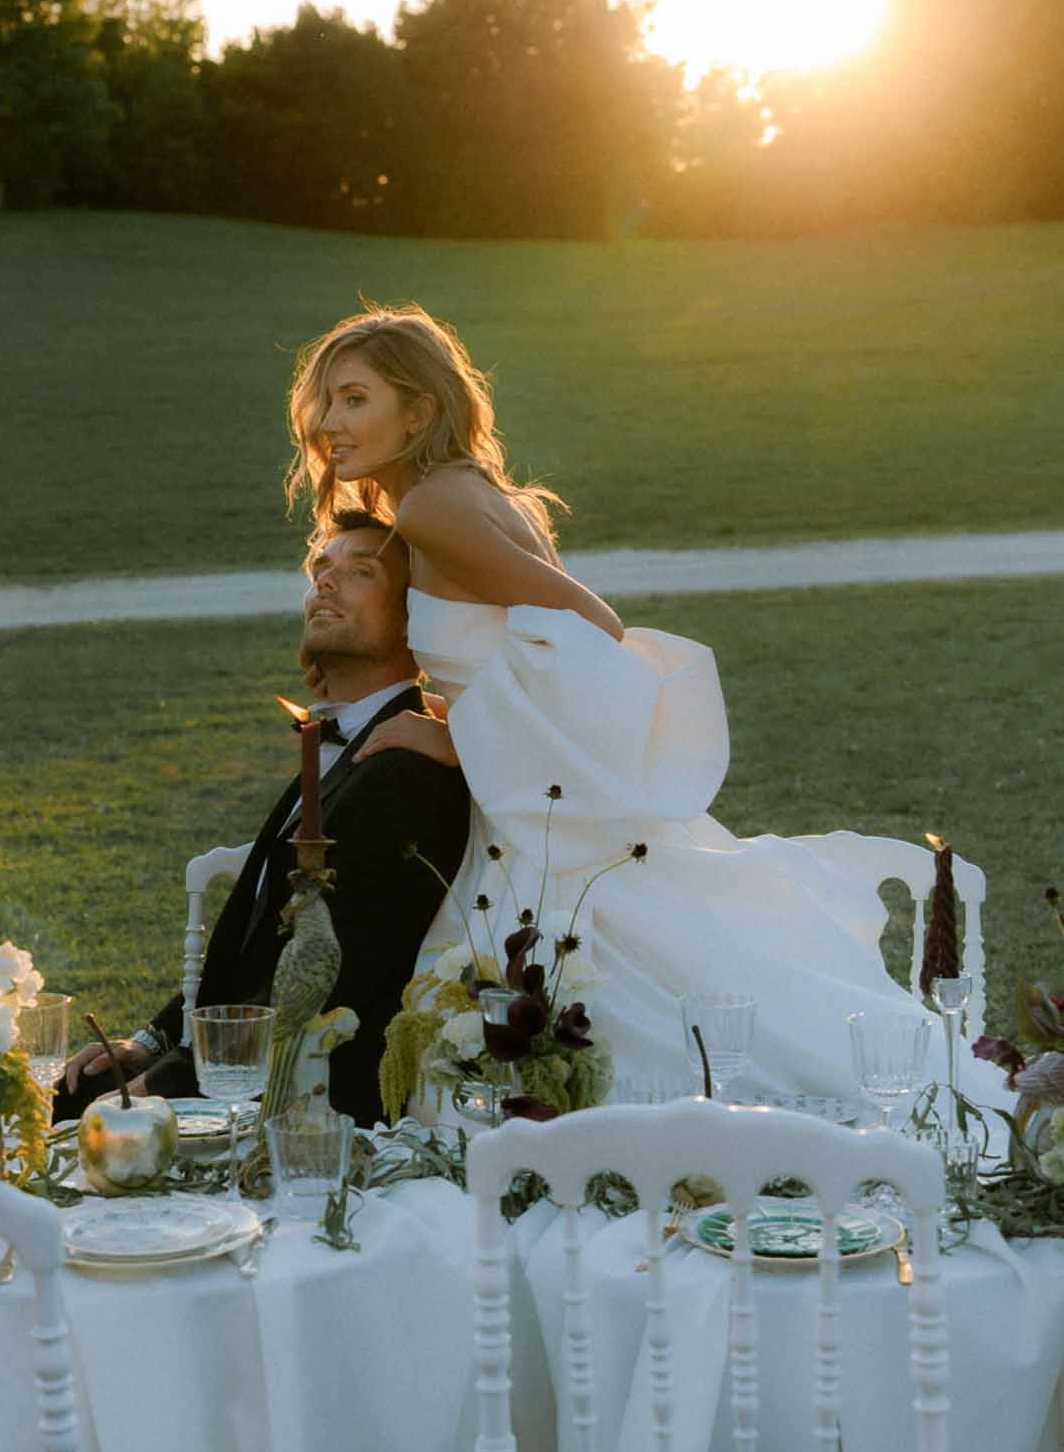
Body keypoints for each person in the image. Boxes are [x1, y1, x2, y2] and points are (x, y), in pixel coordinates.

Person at [285, 302, 1004, 1104]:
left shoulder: (431, 507)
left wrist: (458, 742)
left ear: (418, 409)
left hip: (532, 823)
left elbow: (590, 625)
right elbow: (511, 654)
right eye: (324, 402)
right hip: (522, 797)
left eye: (354, 399)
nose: (329, 424)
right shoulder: (459, 494)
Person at [56, 510, 469, 1128]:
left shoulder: (408, 770)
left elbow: (324, 984)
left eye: (361, 572)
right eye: (321, 570)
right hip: (242, 1058)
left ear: (418, 619)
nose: (326, 583)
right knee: (69, 1087)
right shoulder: (342, 747)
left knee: (80, 1117)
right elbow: (254, 946)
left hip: (312, 1097)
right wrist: (150, 1042)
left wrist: (156, 1089)